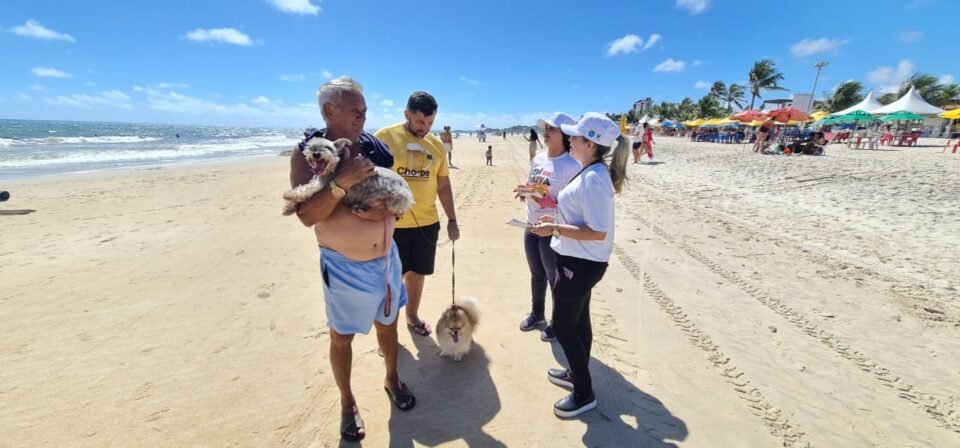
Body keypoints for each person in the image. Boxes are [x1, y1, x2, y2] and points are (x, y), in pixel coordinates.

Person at [288, 76, 415, 442]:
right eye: (354, 110)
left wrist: (387, 213)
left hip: (387, 260)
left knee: (388, 327)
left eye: (365, 110)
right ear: (329, 111)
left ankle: (392, 379)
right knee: (342, 337)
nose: (362, 116)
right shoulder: (310, 155)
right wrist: (341, 183)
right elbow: (306, 215)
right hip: (343, 267)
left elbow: (398, 200)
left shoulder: (376, 151)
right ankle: (347, 403)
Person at [529, 112, 629, 418]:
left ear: (591, 143)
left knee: (563, 326)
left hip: (582, 262)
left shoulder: (596, 179)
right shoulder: (590, 171)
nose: (569, 139)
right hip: (577, 259)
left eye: (575, 136)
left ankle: (584, 394)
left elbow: (597, 231)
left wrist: (554, 229)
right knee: (579, 322)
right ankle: (576, 373)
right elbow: (580, 217)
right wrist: (556, 219)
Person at [375, 91, 460, 338]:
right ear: (407, 114)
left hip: (427, 223)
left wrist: (452, 220)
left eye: (430, 123)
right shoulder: (384, 137)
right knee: (391, 279)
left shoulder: (435, 145)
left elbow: (443, 185)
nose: (425, 128)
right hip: (393, 224)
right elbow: (370, 179)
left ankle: (412, 317)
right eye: (420, 122)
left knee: (417, 274)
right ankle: (387, 330)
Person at [515, 113, 581, 341]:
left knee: (555, 279)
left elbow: (575, 203)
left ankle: (557, 323)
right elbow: (535, 184)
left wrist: (548, 202)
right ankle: (537, 313)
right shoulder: (539, 159)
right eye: (546, 128)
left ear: (564, 135)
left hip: (552, 228)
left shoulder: (572, 166)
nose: (546, 131)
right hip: (531, 223)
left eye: (551, 129)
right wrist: (526, 192)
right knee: (536, 274)